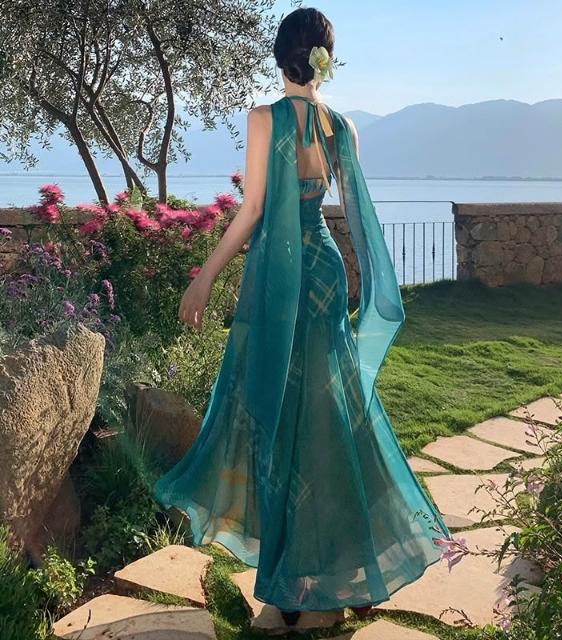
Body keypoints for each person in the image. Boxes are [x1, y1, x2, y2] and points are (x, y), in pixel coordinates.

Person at [154, 6, 450, 628]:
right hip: (323, 274)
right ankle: (351, 569)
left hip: (279, 278)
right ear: (324, 60)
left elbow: (253, 210)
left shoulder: (264, 119)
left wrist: (204, 277)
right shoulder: (343, 126)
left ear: (280, 55)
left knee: (279, 415)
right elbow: (355, 212)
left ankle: (290, 590)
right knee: (333, 417)